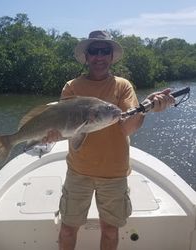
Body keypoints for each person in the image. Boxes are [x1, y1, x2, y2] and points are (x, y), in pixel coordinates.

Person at [44, 30, 175, 250]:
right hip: (78, 171)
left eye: (105, 51)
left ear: (111, 56)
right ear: (86, 56)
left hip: (114, 173)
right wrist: (53, 133)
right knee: (67, 230)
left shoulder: (123, 86)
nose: (99, 56)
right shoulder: (72, 87)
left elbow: (126, 128)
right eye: (94, 51)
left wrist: (147, 108)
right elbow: (65, 125)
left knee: (111, 232)